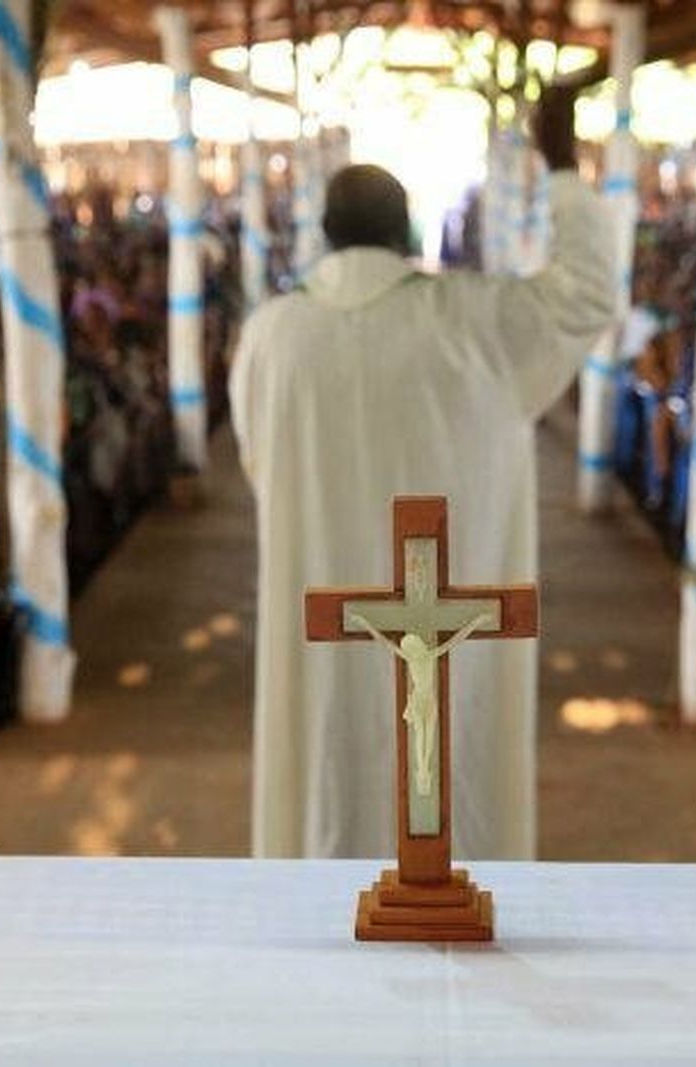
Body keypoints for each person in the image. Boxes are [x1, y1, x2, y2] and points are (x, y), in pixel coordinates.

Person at [231, 84, 615, 859]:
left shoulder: (271, 336)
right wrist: (563, 168)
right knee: (449, 778)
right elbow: (587, 294)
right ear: (407, 229)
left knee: (330, 776)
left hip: (325, 622)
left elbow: (259, 463)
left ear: (327, 234)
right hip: (448, 631)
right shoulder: (476, 322)